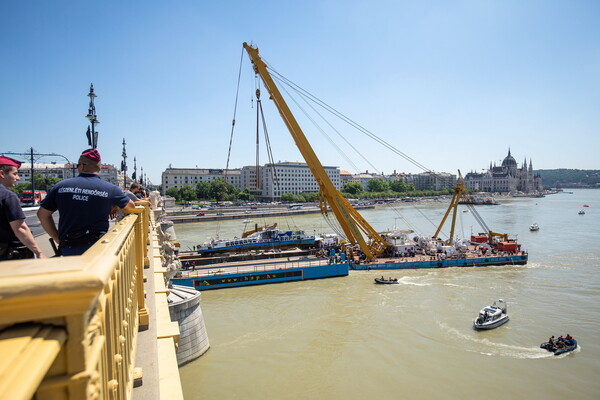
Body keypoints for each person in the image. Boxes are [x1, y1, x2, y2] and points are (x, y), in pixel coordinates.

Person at [37, 149, 136, 256]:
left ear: (82, 166)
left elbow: (42, 215)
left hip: (69, 249)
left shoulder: (60, 187)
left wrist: (57, 239)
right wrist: (115, 205)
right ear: (99, 167)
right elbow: (131, 207)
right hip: (98, 249)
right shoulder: (110, 189)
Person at [0, 156, 46, 260]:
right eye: (15, 174)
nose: (18, 178)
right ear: (2, 174)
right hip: (8, 256)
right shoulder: (7, 196)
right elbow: (20, 228)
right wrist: (39, 253)